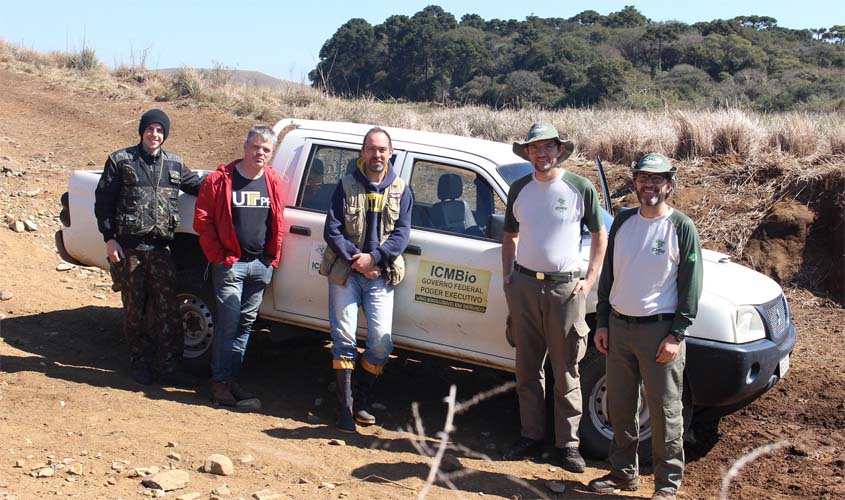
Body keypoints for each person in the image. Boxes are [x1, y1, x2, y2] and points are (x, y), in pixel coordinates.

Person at [589, 153, 703, 500]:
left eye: (657, 180)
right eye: (643, 178)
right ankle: (623, 474)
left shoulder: (681, 226)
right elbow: (609, 275)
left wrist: (677, 334)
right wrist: (604, 321)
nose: (649, 185)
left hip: (659, 333)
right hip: (620, 329)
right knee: (621, 407)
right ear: (635, 182)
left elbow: (690, 285)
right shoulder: (623, 221)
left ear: (670, 185)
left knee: (665, 410)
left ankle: (667, 484)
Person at [501, 122, 607, 472]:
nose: (542, 154)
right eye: (535, 148)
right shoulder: (519, 189)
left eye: (548, 147)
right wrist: (509, 278)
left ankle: (568, 445)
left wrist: (589, 279)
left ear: (559, 150)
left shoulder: (578, 187)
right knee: (527, 370)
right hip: (526, 287)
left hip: (565, 288)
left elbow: (599, 234)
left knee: (566, 371)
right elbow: (509, 236)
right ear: (527, 152)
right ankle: (530, 437)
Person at [94, 108, 202, 386]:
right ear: (142, 131)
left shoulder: (175, 165)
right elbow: (103, 202)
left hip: (161, 251)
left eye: (160, 130)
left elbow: (200, 186)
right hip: (129, 250)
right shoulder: (121, 161)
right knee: (134, 310)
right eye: (150, 129)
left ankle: (168, 367)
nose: (155, 134)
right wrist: (109, 238)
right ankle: (139, 363)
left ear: (165, 135)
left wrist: (233, 183)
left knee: (168, 309)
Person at [320, 127, 413, 432]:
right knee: (343, 340)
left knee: (381, 343)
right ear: (362, 152)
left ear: (391, 152)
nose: (377, 155)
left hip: (380, 274)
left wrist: (374, 259)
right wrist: (357, 260)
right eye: (371, 149)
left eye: (382, 150)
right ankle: (345, 409)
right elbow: (332, 230)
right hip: (345, 273)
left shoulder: (401, 189)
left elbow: (402, 234)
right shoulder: (345, 185)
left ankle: (362, 397)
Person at [193, 125, 285, 406]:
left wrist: (271, 259)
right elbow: (202, 220)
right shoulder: (220, 180)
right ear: (245, 147)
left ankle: (232, 380)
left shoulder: (273, 181)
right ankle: (219, 383)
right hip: (231, 264)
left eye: (266, 149)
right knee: (228, 324)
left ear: (271, 154)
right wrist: (219, 257)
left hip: (260, 264)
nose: (260, 153)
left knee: (245, 325)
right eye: (255, 146)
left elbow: (277, 222)